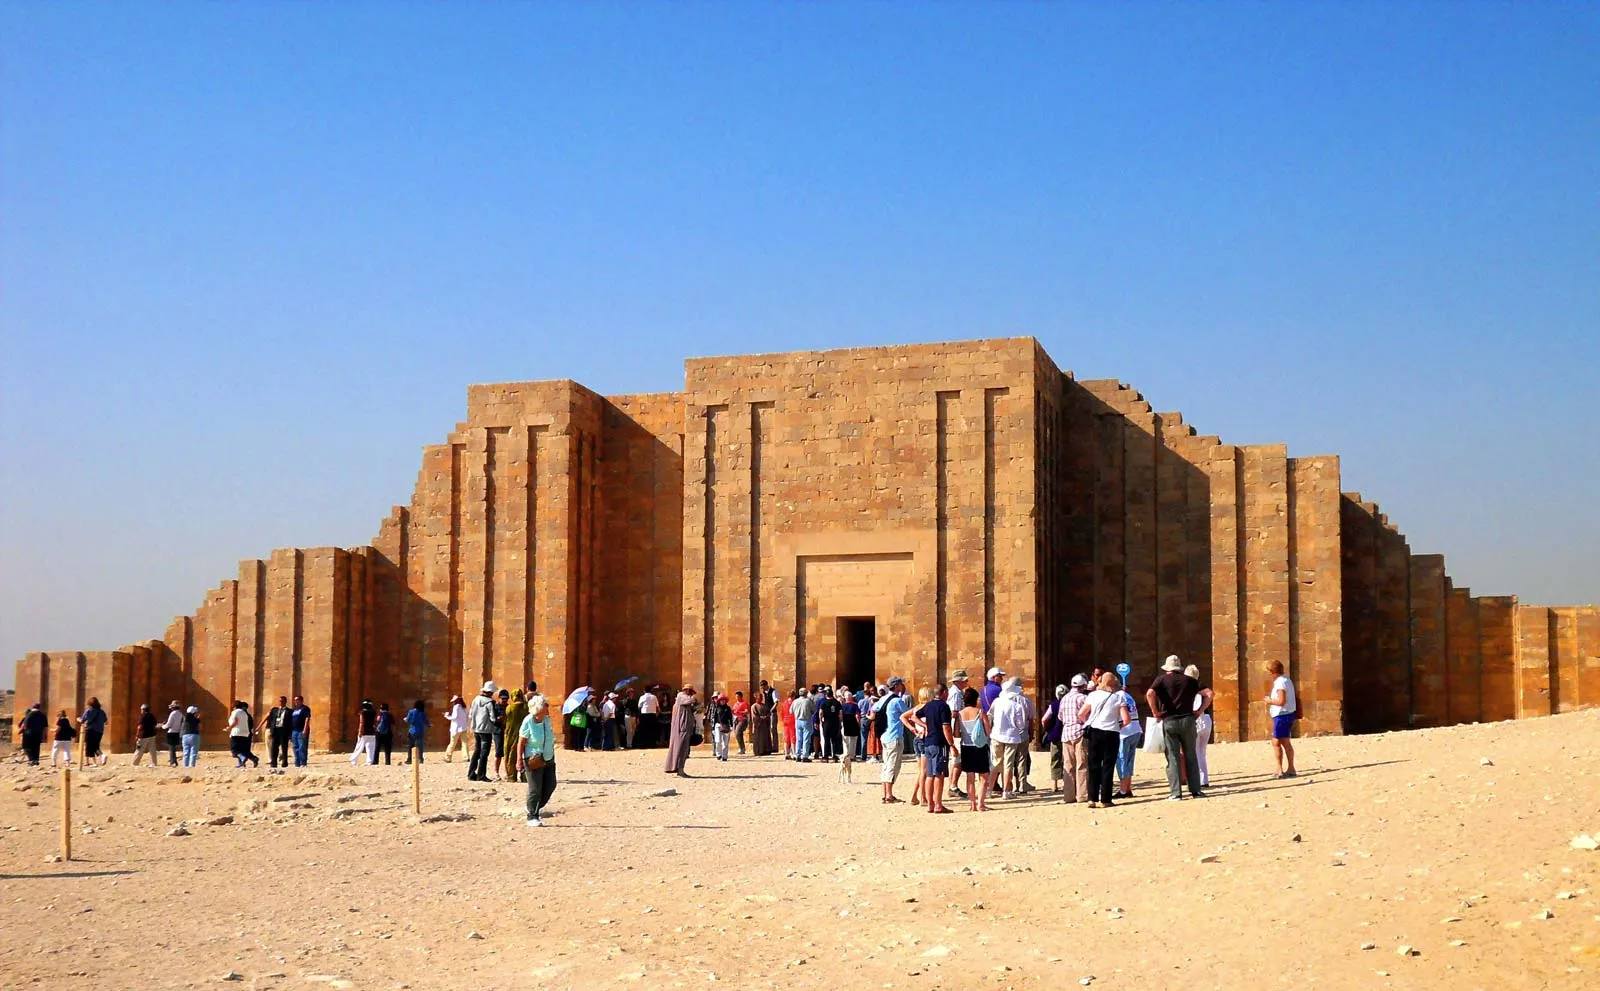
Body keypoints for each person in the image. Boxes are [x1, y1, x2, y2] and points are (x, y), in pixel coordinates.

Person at [1147, 655, 1205, 801]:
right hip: (1188, 719)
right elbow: (1209, 694)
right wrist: (1199, 711)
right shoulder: (1190, 681)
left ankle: (1176, 792)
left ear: (1167, 668)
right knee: (1191, 755)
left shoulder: (1161, 680)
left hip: (1170, 720)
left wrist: (1155, 712)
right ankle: (1196, 791)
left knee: (1173, 757)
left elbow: (1149, 693)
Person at [1079, 672, 1132, 809]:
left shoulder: (1093, 695)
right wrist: (1118, 725)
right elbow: (1126, 719)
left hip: (1095, 732)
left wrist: (1089, 722)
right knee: (1108, 766)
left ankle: (1092, 798)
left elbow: (1081, 714)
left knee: (1094, 765)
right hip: (1111, 733)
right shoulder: (1118, 698)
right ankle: (1106, 799)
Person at [902, 682, 955, 814]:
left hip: (928, 742)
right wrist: (952, 744)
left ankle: (930, 804)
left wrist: (924, 726)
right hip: (939, 742)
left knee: (929, 774)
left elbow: (913, 716)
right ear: (943, 693)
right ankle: (938, 804)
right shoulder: (944, 706)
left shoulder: (929, 705)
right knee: (939, 774)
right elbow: (946, 727)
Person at [516, 698, 558, 826]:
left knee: (550, 785)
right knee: (535, 788)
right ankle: (532, 816)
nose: (547, 707)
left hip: (548, 757)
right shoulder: (528, 721)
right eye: (545, 705)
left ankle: (532, 807)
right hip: (533, 759)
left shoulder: (546, 719)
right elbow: (521, 742)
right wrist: (519, 760)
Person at [988, 678, 1031, 798]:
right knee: (1008, 765)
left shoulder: (996, 702)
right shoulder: (1016, 706)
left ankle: (989, 789)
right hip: (1011, 737)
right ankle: (1006, 791)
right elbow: (1021, 724)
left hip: (996, 735)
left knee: (996, 763)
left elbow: (990, 715)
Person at [953, 687, 992, 811]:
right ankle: (981, 804)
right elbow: (988, 731)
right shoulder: (980, 712)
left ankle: (973, 805)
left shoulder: (960, 714)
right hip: (980, 747)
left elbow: (957, 734)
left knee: (970, 778)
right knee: (984, 777)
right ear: (975, 699)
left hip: (966, 747)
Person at [1057, 676, 1090, 803]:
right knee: (1082, 764)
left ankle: (1069, 796)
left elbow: (1060, 716)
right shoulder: (1083, 698)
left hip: (1066, 733)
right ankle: (1082, 795)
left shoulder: (1064, 698)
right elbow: (1088, 713)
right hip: (1079, 732)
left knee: (1068, 765)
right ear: (1083, 686)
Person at [1263, 660, 1299, 778]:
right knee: (1283, 741)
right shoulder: (1286, 680)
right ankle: (1290, 768)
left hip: (1282, 715)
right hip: (1287, 714)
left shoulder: (1280, 683)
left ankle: (1281, 769)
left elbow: (1281, 701)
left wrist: (1269, 701)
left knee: (1278, 742)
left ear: (1273, 672)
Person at [878, 677, 911, 804]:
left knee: (886, 765)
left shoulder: (883, 699)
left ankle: (886, 793)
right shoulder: (897, 701)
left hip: (885, 735)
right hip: (895, 735)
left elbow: (873, 711)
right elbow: (909, 713)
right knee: (893, 766)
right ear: (896, 686)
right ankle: (889, 795)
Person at [1182, 664, 1215, 788]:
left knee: (1194, 752)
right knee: (1202, 752)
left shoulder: (1189, 687)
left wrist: (1198, 711)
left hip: (1196, 719)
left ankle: (1198, 780)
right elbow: (1210, 695)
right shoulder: (1201, 685)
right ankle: (1204, 779)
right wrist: (1203, 710)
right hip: (1206, 719)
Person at [945, 669, 972, 799]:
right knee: (958, 759)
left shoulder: (957, 692)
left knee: (957, 759)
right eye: (964, 680)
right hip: (956, 729)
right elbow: (954, 713)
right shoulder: (956, 694)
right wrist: (957, 732)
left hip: (955, 728)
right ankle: (953, 786)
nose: (966, 682)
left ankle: (952, 785)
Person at [1115, 676, 1142, 799]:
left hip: (1125, 731)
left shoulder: (1118, 696)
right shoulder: (1128, 696)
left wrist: (1117, 726)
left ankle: (1123, 790)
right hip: (1136, 729)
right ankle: (1127, 788)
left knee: (1121, 760)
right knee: (1129, 760)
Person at [664, 685, 699, 776]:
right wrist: (695, 700)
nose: (691, 694)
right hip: (682, 728)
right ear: (687, 690)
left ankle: (679, 768)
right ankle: (679, 769)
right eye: (691, 692)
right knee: (681, 748)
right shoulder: (681, 696)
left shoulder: (683, 700)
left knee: (683, 748)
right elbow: (691, 700)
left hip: (685, 728)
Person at [468, 682, 497, 782]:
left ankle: (471, 773)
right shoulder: (490, 703)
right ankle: (481, 775)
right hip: (486, 729)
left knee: (477, 751)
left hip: (476, 728)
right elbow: (493, 718)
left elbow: (470, 714)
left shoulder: (475, 700)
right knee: (484, 753)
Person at [261, 696, 293, 772]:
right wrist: (271, 729)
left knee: (284, 747)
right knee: (274, 747)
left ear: (285, 702)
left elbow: (290, 723)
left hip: (284, 730)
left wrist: (290, 733)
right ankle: (273, 762)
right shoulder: (274, 710)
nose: (281, 702)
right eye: (280, 701)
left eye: (282, 701)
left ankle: (284, 763)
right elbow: (271, 720)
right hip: (276, 730)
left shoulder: (289, 711)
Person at [502, 690, 528, 781]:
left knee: (510, 755)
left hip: (511, 735)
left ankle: (511, 776)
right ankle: (524, 776)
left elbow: (506, 720)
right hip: (524, 734)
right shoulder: (526, 707)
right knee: (524, 755)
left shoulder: (509, 708)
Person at [229, 701, 261, 768]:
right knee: (244, 750)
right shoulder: (246, 714)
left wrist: (229, 728)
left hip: (239, 733)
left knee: (236, 750)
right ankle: (253, 759)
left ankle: (242, 761)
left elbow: (235, 722)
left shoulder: (237, 713)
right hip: (246, 733)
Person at [77, 697, 108, 766]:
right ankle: (98, 758)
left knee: (89, 746)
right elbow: (106, 722)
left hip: (91, 730)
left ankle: (96, 760)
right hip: (100, 731)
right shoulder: (102, 712)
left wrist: (78, 719)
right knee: (95, 746)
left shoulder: (89, 711)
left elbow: (82, 720)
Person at [790, 688, 817, 762]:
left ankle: (797, 755)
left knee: (799, 739)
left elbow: (790, 711)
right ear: (805, 693)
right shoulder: (808, 701)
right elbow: (814, 710)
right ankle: (805, 756)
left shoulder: (795, 701)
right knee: (806, 739)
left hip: (797, 721)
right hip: (806, 720)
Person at [818, 687, 843, 762]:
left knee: (826, 740)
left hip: (826, 723)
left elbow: (820, 713)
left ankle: (825, 756)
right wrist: (840, 721)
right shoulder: (837, 702)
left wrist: (821, 720)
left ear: (826, 695)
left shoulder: (824, 703)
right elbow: (840, 713)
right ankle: (834, 756)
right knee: (834, 740)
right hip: (835, 722)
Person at [349, 699, 378, 766]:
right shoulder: (374, 712)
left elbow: (362, 722)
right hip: (372, 731)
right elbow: (375, 722)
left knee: (359, 746)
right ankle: (369, 761)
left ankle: (353, 760)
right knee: (371, 747)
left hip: (364, 731)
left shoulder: (362, 712)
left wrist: (360, 731)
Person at [442, 695, 470, 762]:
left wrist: (446, 716)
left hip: (456, 728)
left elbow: (454, 717)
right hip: (463, 728)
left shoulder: (456, 707)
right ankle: (466, 757)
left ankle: (448, 757)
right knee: (464, 743)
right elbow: (468, 716)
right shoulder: (464, 707)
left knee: (452, 743)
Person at [840, 690, 859, 776]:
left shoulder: (842, 706)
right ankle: (852, 755)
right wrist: (859, 723)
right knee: (853, 740)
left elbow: (840, 715)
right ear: (851, 697)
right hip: (853, 723)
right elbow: (857, 716)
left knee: (845, 740)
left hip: (845, 723)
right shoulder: (855, 705)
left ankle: (846, 754)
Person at [491, 689, 511, 777]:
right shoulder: (495, 707)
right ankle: (496, 772)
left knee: (507, 753)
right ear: (499, 698)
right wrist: (498, 719)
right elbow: (492, 719)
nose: (504, 701)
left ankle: (508, 773)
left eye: (506, 699)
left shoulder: (509, 707)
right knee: (499, 752)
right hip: (498, 731)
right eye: (503, 699)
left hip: (507, 732)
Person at [289, 695, 312, 767]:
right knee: (295, 747)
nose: (296, 701)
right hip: (294, 731)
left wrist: (305, 729)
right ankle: (297, 763)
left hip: (301, 730)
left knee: (302, 746)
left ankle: (303, 763)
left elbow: (307, 718)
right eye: (295, 700)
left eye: (297, 700)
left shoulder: (305, 708)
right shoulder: (294, 710)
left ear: (301, 701)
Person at [750, 689, 774, 756]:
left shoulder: (765, 706)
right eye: (759, 698)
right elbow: (754, 716)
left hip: (765, 725)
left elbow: (768, 713)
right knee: (758, 738)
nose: (760, 699)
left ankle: (766, 750)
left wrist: (766, 717)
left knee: (766, 737)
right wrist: (760, 718)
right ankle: (758, 751)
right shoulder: (754, 706)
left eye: (761, 698)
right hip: (758, 725)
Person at [710, 693, 734, 761]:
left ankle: (724, 756)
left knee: (725, 742)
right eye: (721, 700)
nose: (723, 701)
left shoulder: (728, 708)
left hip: (726, 725)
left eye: (724, 700)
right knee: (718, 741)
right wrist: (713, 728)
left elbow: (730, 718)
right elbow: (714, 718)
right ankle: (718, 754)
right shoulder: (716, 708)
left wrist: (731, 726)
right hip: (718, 725)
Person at [163, 701, 184, 766]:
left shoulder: (172, 714)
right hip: (177, 732)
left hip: (171, 732)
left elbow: (169, 724)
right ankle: (174, 761)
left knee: (171, 748)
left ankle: (173, 762)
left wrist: (163, 726)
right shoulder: (181, 714)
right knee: (174, 748)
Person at [731, 691, 750, 755]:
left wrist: (739, 712)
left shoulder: (744, 703)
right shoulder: (736, 704)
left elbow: (747, 711)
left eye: (738, 697)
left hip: (742, 719)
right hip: (736, 720)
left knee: (738, 732)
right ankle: (741, 748)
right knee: (738, 734)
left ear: (741, 696)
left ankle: (742, 748)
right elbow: (733, 711)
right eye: (736, 697)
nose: (737, 698)